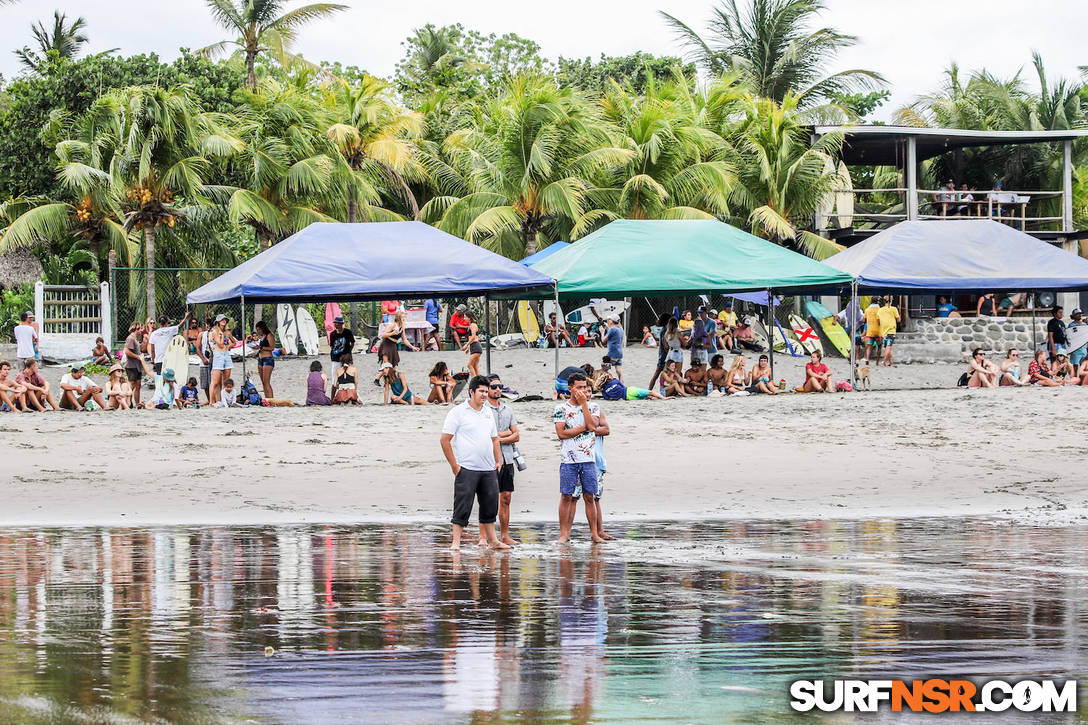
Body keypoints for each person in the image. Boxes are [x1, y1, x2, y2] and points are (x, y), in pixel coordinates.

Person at [440, 375, 509, 551]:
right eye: (481, 391)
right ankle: (455, 542)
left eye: (487, 391)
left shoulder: (487, 412)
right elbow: (445, 440)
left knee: (490, 506)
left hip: (488, 468)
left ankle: (493, 541)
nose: (485, 395)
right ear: (471, 392)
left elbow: (494, 439)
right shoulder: (458, 412)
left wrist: (498, 460)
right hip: (467, 468)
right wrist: (454, 466)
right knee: (462, 506)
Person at [554, 372, 606, 544]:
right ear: (570, 389)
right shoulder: (561, 409)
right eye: (579, 387)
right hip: (568, 460)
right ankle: (564, 534)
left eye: (585, 387)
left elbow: (593, 426)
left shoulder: (594, 407)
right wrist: (584, 428)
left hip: (588, 459)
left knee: (590, 497)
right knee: (566, 496)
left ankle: (594, 534)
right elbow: (561, 433)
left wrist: (584, 404)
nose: (583, 391)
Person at [485, 373, 520, 547]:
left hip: (507, 458)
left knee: (506, 497)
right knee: (488, 499)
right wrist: (504, 434)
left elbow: (516, 435)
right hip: (489, 460)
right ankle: (484, 537)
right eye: (494, 387)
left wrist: (498, 438)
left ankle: (505, 535)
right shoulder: (483, 409)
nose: (498, 389)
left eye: (500, 386)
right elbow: (484, 436)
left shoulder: (508, 409)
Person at [122, 322, 152, 409]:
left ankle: (137, 403)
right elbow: (127, 351)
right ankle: (128, 402)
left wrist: (144, 343)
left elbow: (139, 349)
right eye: (141, 329)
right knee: (132, 384)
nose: (142, 331)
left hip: (137, 365)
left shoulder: (134, 339)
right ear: (136, 329)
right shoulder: (130, 338)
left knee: (138, 384)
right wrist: (137, 357)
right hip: (131, 365)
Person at [208, 314, 236, 406]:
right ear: (218, 322)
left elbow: (234, 342)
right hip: (218, 354)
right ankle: (211, 401)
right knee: (215, 381)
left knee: (226, 380)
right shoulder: (215, 331)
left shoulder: (226, 332)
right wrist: (222, 335)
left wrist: (228, 346)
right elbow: (219, 344)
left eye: (225, 320)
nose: (224, 321)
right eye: (222, 320)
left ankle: (224, 400)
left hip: (226, 354)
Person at [252, 320, 277, 398]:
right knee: (263, 382)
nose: (258, 331)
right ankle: (267, 399)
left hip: (268, 359)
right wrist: (257, 353)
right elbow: (262, 349)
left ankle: (271, 400)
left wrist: (261, 347)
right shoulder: (262, 337)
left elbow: (272, 348)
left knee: (266, 382)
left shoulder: (269, 335)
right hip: (261, 359)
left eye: (259, 329)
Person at [195, 315, 213, 404]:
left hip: (214, 360)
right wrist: (203, 359)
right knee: (205, 384)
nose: (208, 326)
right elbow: (197, 349)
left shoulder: (215, 333)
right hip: (204, 361)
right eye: (207, 324)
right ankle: (209, 400)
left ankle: (213, 399)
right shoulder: (202, 334)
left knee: (214, 382)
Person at [878, 298, 901, 367]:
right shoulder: (893, 309)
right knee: (888, 347)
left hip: (883, 331)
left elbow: (878, 320)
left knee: (887, 347)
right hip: (891, 331)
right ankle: (884, 363)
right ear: (891, 302)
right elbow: (898, 320)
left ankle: (891, 362)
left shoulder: (880, 310)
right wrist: (899, 314)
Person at [602, 316, 625, 382]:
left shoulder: (612, 329)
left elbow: (603, 340)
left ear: (611, 321)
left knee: (604, 369)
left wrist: (602, 332)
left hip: (612, 353)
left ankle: (601, 385)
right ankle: (622, 387)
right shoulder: (620, 328)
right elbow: (614, 332)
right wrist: (607, 327)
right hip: (619, 353)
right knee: (619, 371)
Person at [460, 311, 482, 378]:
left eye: (465, 317)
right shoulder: (471, 325)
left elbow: (473, 337)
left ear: (469, 318)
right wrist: (468, 348)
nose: (464, 318)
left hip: (476, 347)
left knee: (469, 365)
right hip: (473, 346)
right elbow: (472, 338)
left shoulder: (473, 325)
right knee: (475, 366)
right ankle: (479, 381)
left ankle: (473, 380)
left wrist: (466, 345)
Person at [862, 297, 882, 365]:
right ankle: (877, 362)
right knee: (879, 347)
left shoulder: (867, 310)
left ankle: (867, 359)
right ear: (877, 302)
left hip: (869, 331)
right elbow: (880, 320)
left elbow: (864, 320)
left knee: (869, 347)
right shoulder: (879, 310)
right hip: (878, 332)